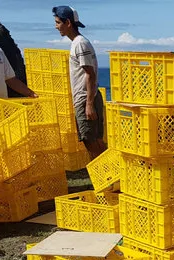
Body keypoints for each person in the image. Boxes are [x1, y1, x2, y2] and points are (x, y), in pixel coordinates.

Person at [52, 5, 106, 159]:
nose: (56, 27)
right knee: (94, 141)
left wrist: (88, 104)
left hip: (85, 99)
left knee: (91, 142)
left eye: (58, 22)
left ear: (68, 22)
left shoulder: (79, 43)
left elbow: (90, 74)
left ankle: (104, 180)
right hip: (86, 98)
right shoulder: (78, 43)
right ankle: (109, 178)